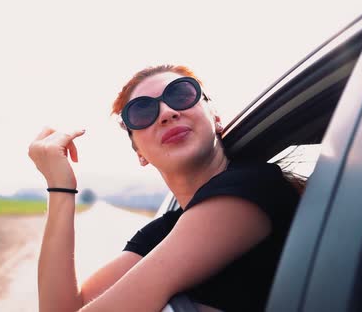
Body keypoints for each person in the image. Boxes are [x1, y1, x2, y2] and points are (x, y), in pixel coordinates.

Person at [28, 65, 300, 311]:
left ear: (216, 118)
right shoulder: (161, 232)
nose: (168, 113)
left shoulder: (251, 187)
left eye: (181, 95)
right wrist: (60, 187)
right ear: (140, 154)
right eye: (142, 112)